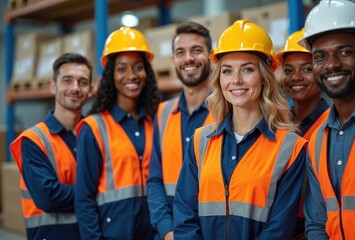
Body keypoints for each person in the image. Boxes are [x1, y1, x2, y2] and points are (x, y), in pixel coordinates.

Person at [173, 19, 307, 239]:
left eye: (247, 69)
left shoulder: (291, 148)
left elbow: (279, 229)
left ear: (264, 77)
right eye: (227, 71)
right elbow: (185, 215)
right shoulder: (201, 140)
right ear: (219, 80)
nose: (236, 80)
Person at [74, 27, 161, 240]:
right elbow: (83, 199)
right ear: (111, 75)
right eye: (122, 69)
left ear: (146, 73)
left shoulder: (156, 121)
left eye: (138, 67)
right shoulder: (94, 127)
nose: (131, 75)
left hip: (154, 234)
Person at [298, 0, 355, 239]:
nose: (331, 64)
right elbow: (317, 223)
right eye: (320, 56)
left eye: (344, 52)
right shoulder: (317, 140)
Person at [9, 52, 93, 240]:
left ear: (91, 89)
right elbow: (48, 197)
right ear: (53, 86)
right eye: (67, 81)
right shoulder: (33, 140)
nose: (75, 87)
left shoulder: (97, 134)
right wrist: (97, 191)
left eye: (83, 82)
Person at [147, 21, 214, 240]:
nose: (188, 59)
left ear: (211, 56)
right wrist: (167, 231)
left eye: (197, 50)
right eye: (180, 52)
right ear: (174, 60)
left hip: (212, 230)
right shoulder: (163, 113)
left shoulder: (230, 112)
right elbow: (155, 180)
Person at [276, 29, 330, 239]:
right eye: (288, 71)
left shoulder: (331, 123)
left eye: (306, 69)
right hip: (279, 225)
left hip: (317, 227)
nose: (296, 78)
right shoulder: (278, 124)